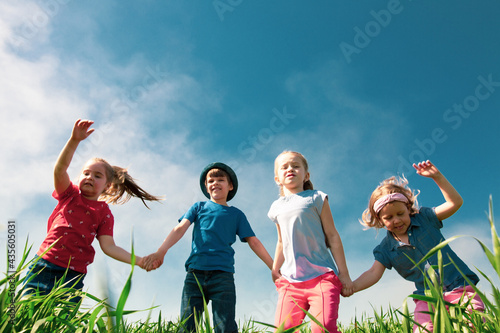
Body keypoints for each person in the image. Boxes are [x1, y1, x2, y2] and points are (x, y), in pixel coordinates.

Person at [23, 119, 162, 299]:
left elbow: (109, 247)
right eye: (86, 173)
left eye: (97, 176)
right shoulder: (69, 195)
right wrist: (74, 140)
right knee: (27, 313)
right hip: (45, 264)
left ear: (107, 186)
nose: (90, 177)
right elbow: (59, 170)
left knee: (61, 322)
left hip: (73, 276)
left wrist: (140, 261)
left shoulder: (104, 213)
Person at [351, 160, 484, 332]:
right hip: (427, 298)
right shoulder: (385, 249)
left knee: (474, 324)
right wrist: (351, 286)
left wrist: (437, 177)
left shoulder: (425, 218)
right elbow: (373, 273)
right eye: (389, 218)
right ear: (380, 220)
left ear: (408, 208)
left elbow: (455, 203)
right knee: (423, 329)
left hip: (460, 287)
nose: (397, 220)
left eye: (400, 213)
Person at [143, 162, 273, 333]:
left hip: (223, 277)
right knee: (188, 325)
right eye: (210, 180)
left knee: (225, 326)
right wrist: (161, 251)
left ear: (230, 186)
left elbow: (254, 242)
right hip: (195, 275)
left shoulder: (237, 215)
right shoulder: (199, 207)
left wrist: (273, 267)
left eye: (220, 179)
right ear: (206, 186)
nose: (215, 183)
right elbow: (180, 228)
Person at [269, 151, 353, 333]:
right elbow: (281, 242)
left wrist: (344, 274)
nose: (290, 169)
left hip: (322, 278)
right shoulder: (276, 207)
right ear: (277, 179)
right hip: (290, 282)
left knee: (322, 328)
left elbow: (332, 236)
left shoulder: (316, 198)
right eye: (284, 167)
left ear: (306, 175)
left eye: (295, 166)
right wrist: (275, 269)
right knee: (284, 329)